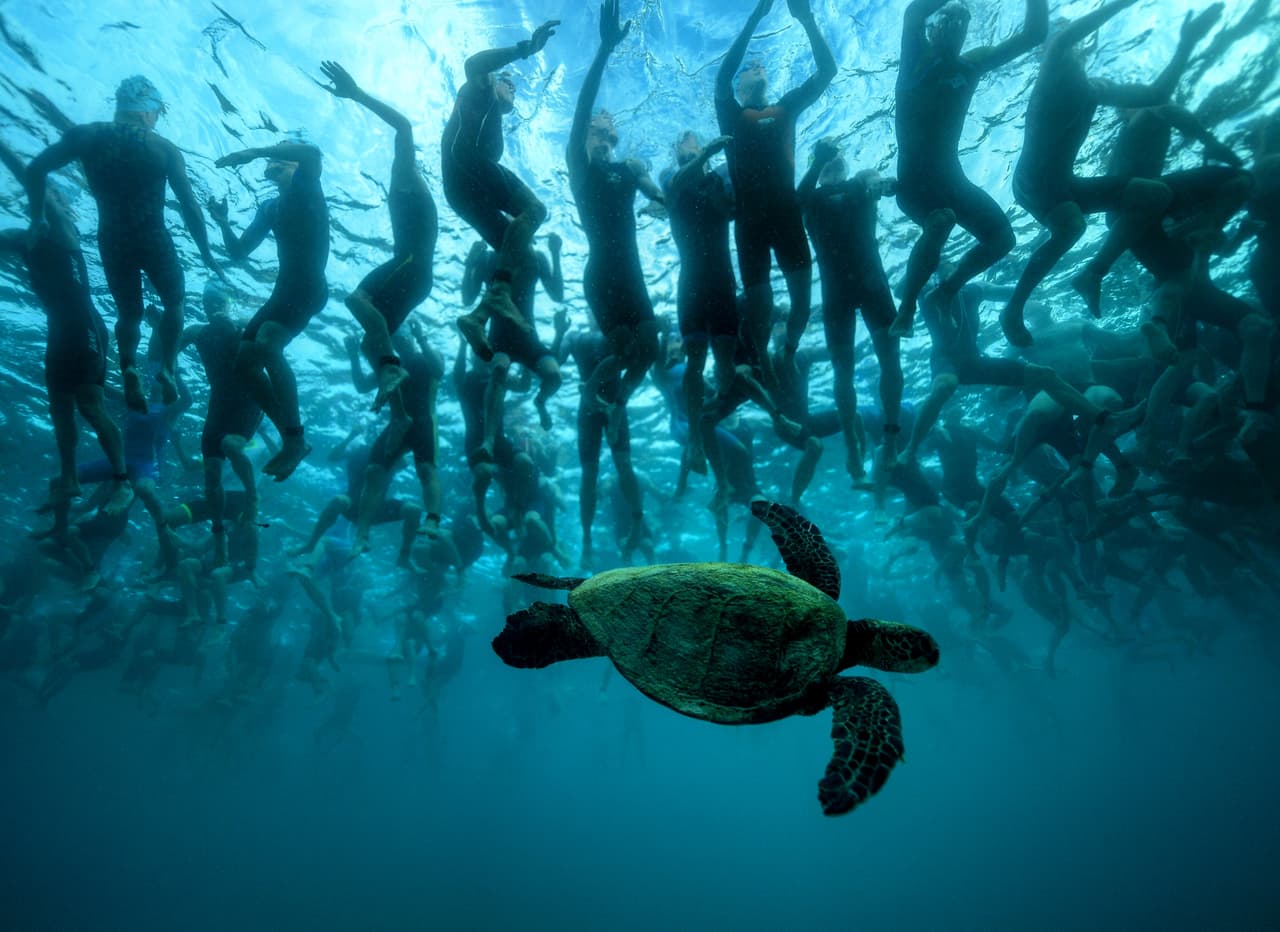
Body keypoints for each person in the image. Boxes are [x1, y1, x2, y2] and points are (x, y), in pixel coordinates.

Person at [1002, 0, 1222, 345]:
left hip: (1064, 183)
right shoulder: (1052, 65)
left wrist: (1187, 41)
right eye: (1063, 35)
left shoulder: (1091, 91)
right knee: (1071, 225)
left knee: (1156, 194)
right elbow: (1063, 38)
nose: (1071, 39)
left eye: (1074, 38)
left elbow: (1157, 95)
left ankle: (1092, 273)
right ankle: (1013, 308)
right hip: (1033, 180)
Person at [24, 75, 223, 412]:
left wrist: (37, 217)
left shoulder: (86, 136)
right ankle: (169, 370)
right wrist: (205, 252)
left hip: (113, 240)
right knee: (174, 303)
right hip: (153, 237)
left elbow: (35, 169)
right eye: (157, 112)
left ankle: (129, 368)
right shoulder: (163, 149)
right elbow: (189, 205)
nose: (156, 119)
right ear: (148, 111)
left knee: (129, 314)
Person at [890, 0, 1047, 339]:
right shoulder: (915, 61)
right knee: (941, 220)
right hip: (914, 185)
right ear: (932, 28)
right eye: (946, 19)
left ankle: (945, 292)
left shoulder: (971, 64)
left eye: (962, 22)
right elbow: (913, 13)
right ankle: (907, 308)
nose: (954, 26)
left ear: (967, 34)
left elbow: (1034, 34)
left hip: (951, 178)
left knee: (1003, 238)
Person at [0, 141, 131, 516]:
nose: (50, 197)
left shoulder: (63, 230)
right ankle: (69, 478)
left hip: (86, 328)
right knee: (59, 408)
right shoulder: (21, 239)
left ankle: (122, 483)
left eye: (56, 194)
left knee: (90, 405)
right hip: (59, 331)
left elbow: (32, 178)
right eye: (50, 193)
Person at [716, 0, 835, 384]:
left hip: (786, 219)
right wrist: (754, 16)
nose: (757, 68)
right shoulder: (731, 114)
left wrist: (807, 19)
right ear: (740, 85)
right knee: (761, 306)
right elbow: (721, 78)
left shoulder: (786, 108)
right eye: (750, 68)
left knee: (802, 300)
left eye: (761, 65)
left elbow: (827, 71)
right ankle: (763, 361)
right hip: (749, 226)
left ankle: (789, 350)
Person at [320, 61, 438, 432]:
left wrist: (357, 94)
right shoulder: (405, 189)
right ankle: (400, 415)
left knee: (357, 301)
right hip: (415, 273)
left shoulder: (407, 179)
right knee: (372, 344)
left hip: (411, 264)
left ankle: (391, 372)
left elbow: (403, 127)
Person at [567, 0, 665, 425]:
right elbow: (581, 108)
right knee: (626, 347)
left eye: (611, 136)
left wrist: (667, 201)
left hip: (632, 273)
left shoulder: (628, 170)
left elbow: (661, 199)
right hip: (603, 274)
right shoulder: (581, 169)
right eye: (598, 134)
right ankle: (591, 399)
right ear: (586, 138)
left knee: (651, 347)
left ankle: (617, 399)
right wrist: (605, 51)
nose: (606, 141)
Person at [211, 139, 330, 481]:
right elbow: (237, 252)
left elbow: (310, 152)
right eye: (273, 158)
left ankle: (294, 439)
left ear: (295, 165)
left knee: (266, 342)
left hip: (308, 288)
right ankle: (293, 439)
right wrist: (222, 221)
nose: (276, 161)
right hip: (282, 293)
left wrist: (254, 150)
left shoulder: (307, 185)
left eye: (283, 158)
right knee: (244, 363)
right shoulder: (269, 208)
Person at [443, 18, 559, 361]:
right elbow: (474, 65)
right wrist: (525, 50)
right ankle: (496, 298)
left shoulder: (493, 126)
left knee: (523, 253)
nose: (513, 90)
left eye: (514, 89)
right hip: (466, 165)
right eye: (509, 85)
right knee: (536, 210)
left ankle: (478, 317)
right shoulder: (483, 89)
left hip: (462, 192)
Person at [799, 138, 904, 483]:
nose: (832, 161)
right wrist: (817, 163)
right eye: (823, 157)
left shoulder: (861, 180)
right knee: (843, 371)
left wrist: (881, 185)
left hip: (872, 284)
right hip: (837, 294)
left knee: (891, 359)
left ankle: (890, 436)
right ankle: (852, 445)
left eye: (834, 156)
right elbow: (797, 198)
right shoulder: (810, 197)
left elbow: (877, 181)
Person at [663, 131, 737, 471]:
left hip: (721, 277)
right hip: (692, 280)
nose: (688, 142)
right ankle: (694, 437)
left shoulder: (718, 176)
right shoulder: (670, 175)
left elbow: (730, 210)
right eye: (684, 141)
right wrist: (705, 154)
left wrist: (711, 176)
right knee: (694, 361)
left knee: (725, 359)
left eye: (694, 140)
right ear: (678, 148)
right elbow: (676, 184)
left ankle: (718, 415)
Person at [178, 280, 263, 566]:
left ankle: (252, 497)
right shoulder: (195, 331)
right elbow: (167, 352)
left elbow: (266, 345)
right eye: (206, 299)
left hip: (247, 403)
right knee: (211, 477)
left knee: (230, 445)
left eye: (216, 298)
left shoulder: (241, 324)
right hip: (218, 405)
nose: (210, 303)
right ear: (202, 305)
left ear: (226, 302)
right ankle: (218, 538)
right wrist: (165, 372)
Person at [460, 233, 564, 444]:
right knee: (499, 370)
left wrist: (555, 254)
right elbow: (467, 298)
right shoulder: (488, 259)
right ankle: (488, 440)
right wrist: (470, 264)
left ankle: (540, 402)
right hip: (500, 339)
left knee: (554, 377)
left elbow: (558, 295)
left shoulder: (536, 257)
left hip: (528, 338)